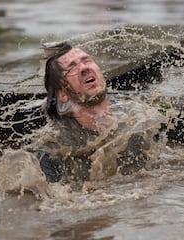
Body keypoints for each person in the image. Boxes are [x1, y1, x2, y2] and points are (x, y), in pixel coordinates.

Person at [30, 42, 164, 184]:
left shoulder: (140, 118)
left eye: (86, 60)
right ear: (63, 94)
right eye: (71, 67)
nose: (84, 68)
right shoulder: (53, 147)